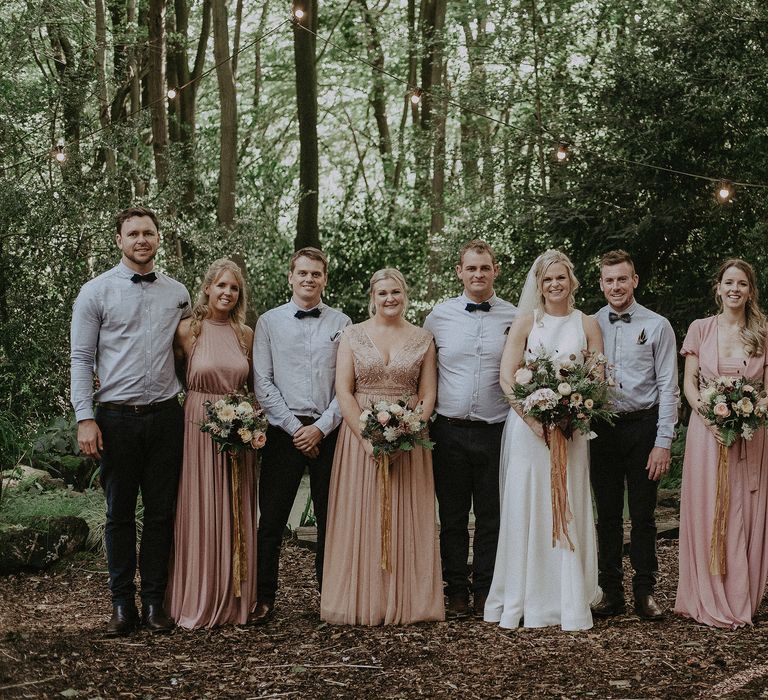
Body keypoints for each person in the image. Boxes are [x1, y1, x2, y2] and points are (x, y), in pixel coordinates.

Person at [70, 206, 191, 636]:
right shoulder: (95, 292)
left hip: (164, 417)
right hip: (115, 418)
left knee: (161, 514)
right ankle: (121, 605)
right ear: (119, 240)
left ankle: (155, 602)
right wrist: (86, 418)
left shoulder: (178, 294)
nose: (142, 240)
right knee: (118, 513)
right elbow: (81, 359)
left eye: (149, 233)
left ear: (158, 238)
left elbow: (186, 357)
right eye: (133, 233)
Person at [484, 249, 602, 631]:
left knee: (568, 502)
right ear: (539, 284)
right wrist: (535, 421)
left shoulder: (587, 323)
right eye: (548, 278)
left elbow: (597, 377)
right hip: (529, 431)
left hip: (572, 431)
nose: (554, 284)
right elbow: (507, 378)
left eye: (561, 278)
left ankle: (568, 597)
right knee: (528, 505)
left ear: (572, 282)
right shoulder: (524, 324)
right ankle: (525, 596)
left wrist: (572, 413)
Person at [321, 269, 444, 625]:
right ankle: (361, 599)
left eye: (396, 292)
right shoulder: (353, 335)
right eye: (383, 293)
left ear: (405, 295)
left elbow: (428, 393)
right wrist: (365, 439)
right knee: (362, 514)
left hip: (409, 441)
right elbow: (343, 390)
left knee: (407, 512)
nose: (390, 298)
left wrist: (410, 429)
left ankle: (408, 601)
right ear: (372, 297)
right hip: (360, 439)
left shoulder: (423, 338)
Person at [253, 247, 351, 623]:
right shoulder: (268, 322)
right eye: (302, 273)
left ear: (325, 278)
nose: (309, 279)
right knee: (272, 519)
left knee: (331, 518)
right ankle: (265, 597)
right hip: (283, 431)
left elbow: (349, 383)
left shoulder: (342, 323)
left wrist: (321, 428)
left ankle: (329, 596)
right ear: (290, 277)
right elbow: (262, 382)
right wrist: (297, 430)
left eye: (316, 274)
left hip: (329, 431)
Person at [423, 240, 517, 619]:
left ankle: (486, 590)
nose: (478, 274)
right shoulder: (438, 318)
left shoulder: (516, 316)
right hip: (449, 430)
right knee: (453, 516)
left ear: (495, 270)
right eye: (471, 268)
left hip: (497, 430)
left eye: (485, 268)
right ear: (459, 272)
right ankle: (456, 591)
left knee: (493, 516)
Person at [675, 259, 768, 628]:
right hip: (707, 433)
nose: (734, 289)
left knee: (747, 508)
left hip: (752, 436)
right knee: (709, 505)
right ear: (718, 288)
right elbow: (689, 385)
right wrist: (713, 418)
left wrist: (751, 415)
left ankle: (742, 598)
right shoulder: (700, 328)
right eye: (728, 282)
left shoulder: (762, 332)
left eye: (742, 283)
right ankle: (707, 595)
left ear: (750, 291)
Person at [166, 259, 257, 629]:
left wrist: (251, 421)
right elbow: (173, 375)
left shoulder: (245, 334)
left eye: (233, 288)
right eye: (221, 285)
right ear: (207, 288)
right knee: (200, 506)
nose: (227, 293)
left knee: (235, 506)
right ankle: (197, 595)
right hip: (198, 424)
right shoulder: (188, 330)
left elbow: (253, 385)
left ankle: (236, 598)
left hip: (239, 428)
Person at [590, 250, 679, 621]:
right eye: (609, 280)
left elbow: (668, 387)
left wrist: (663, 441)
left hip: (643, 426)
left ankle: (645, 591)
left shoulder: (658, 325)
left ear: (635, 280)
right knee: (607, 515)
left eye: (622, 279)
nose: (616, 286)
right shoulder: (590, 323)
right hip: (603, 428)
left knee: (643, 515)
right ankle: (610, 592)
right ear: (601, 284)